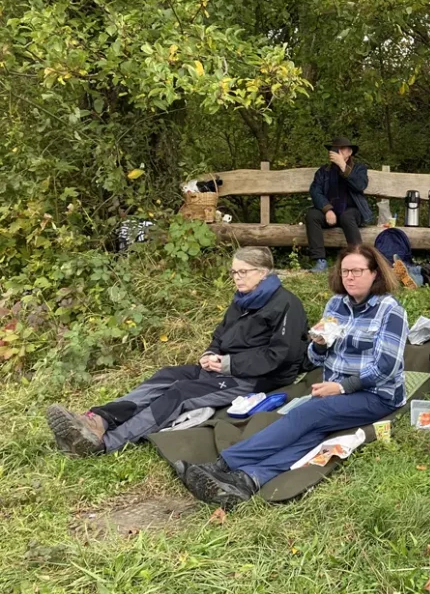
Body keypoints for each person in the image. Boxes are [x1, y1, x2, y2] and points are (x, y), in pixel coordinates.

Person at [179, 244, 408, 508]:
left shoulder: (390, 311)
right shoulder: (336, 305)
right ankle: (248, 480)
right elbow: (315, 358)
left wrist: (341, 387)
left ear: (375, 274)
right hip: (334, 389)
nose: (350, 277)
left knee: (307, 414)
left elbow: (386, 367)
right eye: (345, 271)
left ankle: (225, 463)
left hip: (376, 394)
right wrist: (320, 344)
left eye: (357, 270)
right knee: (313, 431)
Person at [46, 247, 309, 457]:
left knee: (181, 393)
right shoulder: (242, 299)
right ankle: (97, 421)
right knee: (166, 375)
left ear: (263, 273)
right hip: (221, 367)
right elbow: (221, 333)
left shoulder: (286, 304)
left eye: (243, 272)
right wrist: (210, 352)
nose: (237, 278)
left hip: (254, 379)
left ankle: (107, 443)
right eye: (233, 272)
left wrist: (228, 364)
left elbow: (281, 356)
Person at [305, 136, 374, 272]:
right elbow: (315, 192)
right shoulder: (323, 171)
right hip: (331, 213)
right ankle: (320, 261)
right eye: (334, 149)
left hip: (353, 212)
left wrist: (343, 166)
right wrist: (328, 210)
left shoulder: (359, 169)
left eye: (341, 149)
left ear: (349, 152)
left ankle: (358, 260)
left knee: (346, 217)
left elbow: (360, 186)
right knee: (312, 215)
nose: (336, 152)